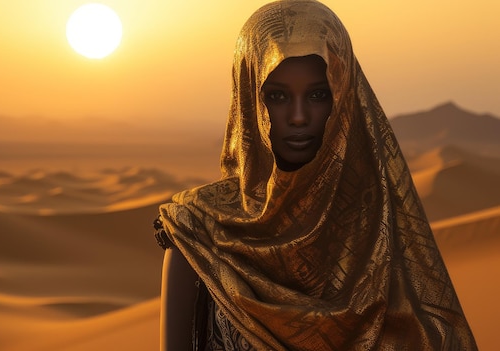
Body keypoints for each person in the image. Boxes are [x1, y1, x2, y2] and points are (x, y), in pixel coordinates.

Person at [154, 0, 478, 350]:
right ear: (249, 97)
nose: (297, 116)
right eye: (277, 96)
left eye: (318, 94)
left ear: (344, 95)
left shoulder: (379, 231)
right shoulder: (198, 232)